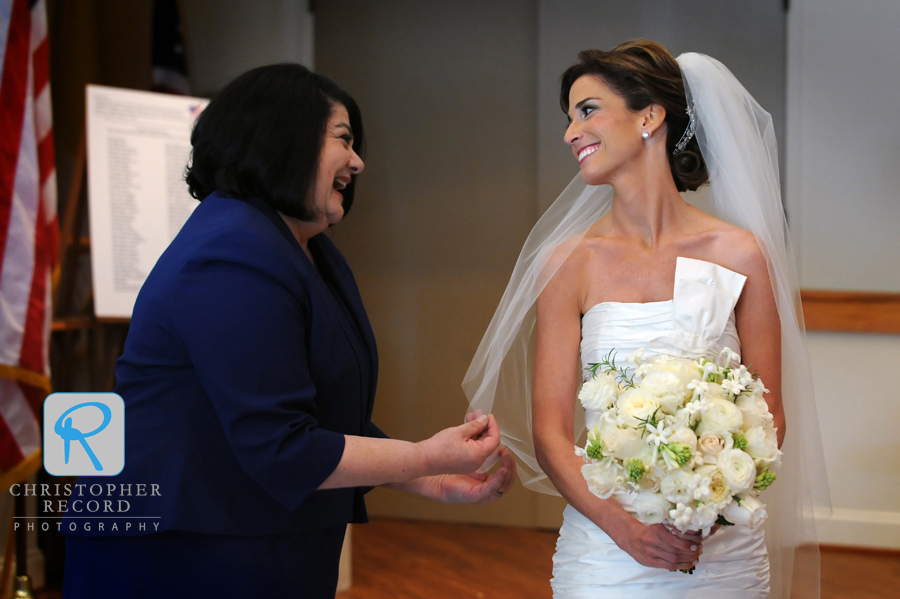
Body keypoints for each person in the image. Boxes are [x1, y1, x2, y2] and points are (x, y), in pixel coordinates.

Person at [62, 63, 515, 599]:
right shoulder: (231, 251)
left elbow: (319, 418)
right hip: (182, 553)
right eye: (343, 139)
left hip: (251, 542)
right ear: (281, 136)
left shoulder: (304, 249)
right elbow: (281, 446)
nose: (358, 162)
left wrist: (432, 482)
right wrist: (429, 456)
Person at [463, 40, 828, 598]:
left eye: (587, 110)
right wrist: (625, 528)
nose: (569, 133)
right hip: (606, 550)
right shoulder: (566, 262)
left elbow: (770, 412)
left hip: (720, 547)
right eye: (568, 118)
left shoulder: (740, 254)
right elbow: (551, 433)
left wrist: (708, 505)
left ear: (650, 117)